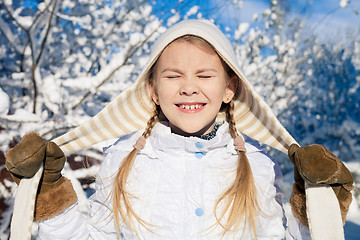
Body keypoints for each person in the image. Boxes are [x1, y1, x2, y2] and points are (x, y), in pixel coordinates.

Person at [5, 20, 353, 240]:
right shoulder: (123, 158)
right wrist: (50, 196)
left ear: (229, 89)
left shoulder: (258, 167)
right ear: (153, 90)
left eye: (204, 76)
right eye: (173, 76)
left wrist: (317, 206)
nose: (188, 88)